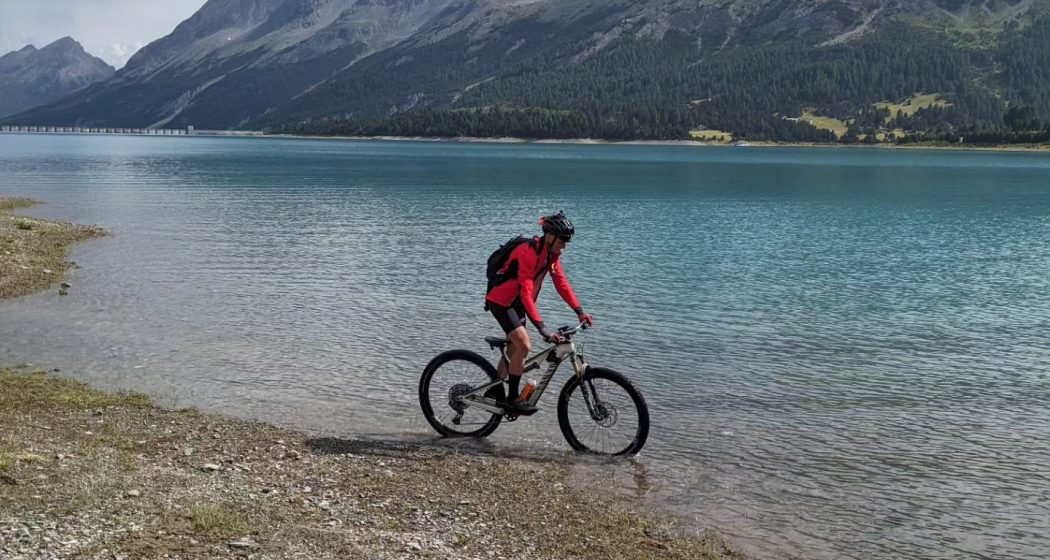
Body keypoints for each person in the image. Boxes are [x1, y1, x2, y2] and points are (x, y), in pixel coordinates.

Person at [485, 211, 594, 414]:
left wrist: (580, 312)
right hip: (501, 302)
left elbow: (561, 283)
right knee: (524, 346)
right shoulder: (528, 252)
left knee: (513, 351)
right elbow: (526, 293)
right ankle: (512, 399)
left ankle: (493, 392)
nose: (564, 246)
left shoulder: (551, 256)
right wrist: (543, 329)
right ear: (550, 237)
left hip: (516, 304)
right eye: (562, 241)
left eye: (567, 242)